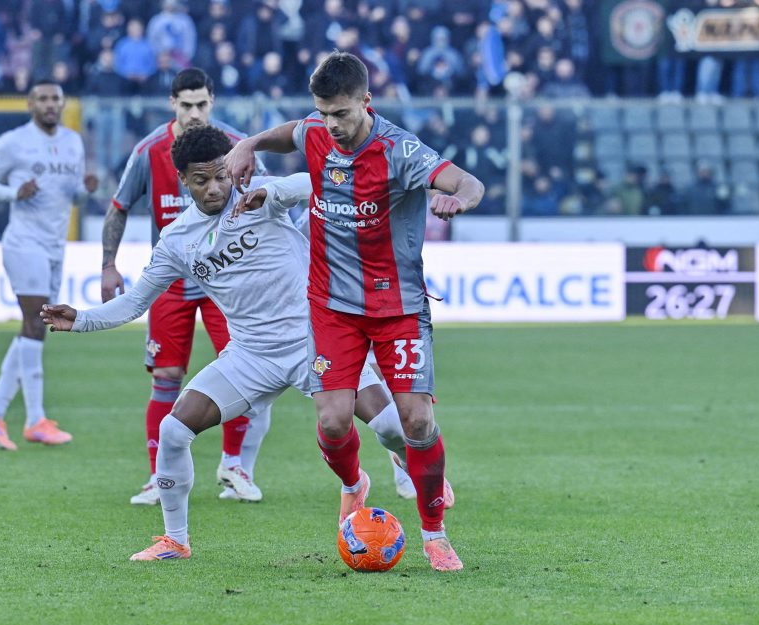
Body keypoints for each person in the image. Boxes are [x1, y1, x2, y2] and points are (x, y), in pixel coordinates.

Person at [40, 125, 440, 561]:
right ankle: (175, 540)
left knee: (391, 428)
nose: (214, 188)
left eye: (220, 176)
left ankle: (415, 478)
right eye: (201, 180)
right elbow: (135, 301)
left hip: (316, 340)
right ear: (183, 180)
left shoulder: (260, 196)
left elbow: (321, 183)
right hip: (251, 355)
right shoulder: (177, 240)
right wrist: (80, 320)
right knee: (174, 430)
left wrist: (275, 191)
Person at [225, 52, 484, 571]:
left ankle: (435, 535)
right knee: (333, 420)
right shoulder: (317, 132)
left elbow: (468, 182)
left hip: (398, 307)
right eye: (324, 113)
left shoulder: (400, 150)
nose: (331, 125)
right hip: (332, 306)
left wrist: (458, 200)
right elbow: (292, 132)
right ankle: (353, 483)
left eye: (341, 113)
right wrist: (249, 143)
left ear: (366, 102)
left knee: (416, 420)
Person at [100, 68, 268, 505]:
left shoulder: (237, 145)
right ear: (172, 103)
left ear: (212, 102)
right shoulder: (149, 151)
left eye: (202, 104)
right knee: (167, 377)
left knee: (243, 370)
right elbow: (119, 207)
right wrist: (109, 265)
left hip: (226, 280)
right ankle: (160, 478)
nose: (195, 113)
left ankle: (233, 466)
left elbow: (269, 201)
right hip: (171, 280)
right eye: (186, 105)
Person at [0, 79, 98, 450]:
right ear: (30, 104)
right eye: (42, 99)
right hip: (24, 243)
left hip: (55, 245)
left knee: (33, 326)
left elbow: (71, 196)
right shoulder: (13, 142)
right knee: (38, 321)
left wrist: (84, 190)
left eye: (55, 98)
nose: (50, 104)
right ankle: (35, 419)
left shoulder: (73, 142)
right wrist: (14, 192)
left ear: (62, 103)